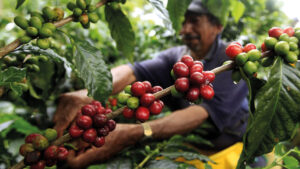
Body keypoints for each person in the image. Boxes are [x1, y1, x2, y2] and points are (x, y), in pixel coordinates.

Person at [53, 0, 250, 168]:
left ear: (217, 27)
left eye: (195, 21)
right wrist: (89, 92)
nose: (185, 30)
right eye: (183, 23)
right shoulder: (176, 57)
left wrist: (136, 132)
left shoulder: (230, 62)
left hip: (233, 149)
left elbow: (200, 113)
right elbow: (131, 71)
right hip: (191, 146)